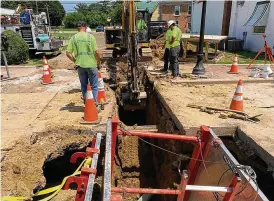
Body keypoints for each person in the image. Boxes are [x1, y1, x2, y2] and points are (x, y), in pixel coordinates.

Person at [66, 21, 101, 108]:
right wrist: (98, 62)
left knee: (84, 85)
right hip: (92, 65)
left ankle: (87, 103)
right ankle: (94, 104)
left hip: (80, 66)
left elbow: (67, 53)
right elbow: (97, 53)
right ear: (85, 27)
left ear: (77, 28)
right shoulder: (90, 37)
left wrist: (75, 61)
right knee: (94, 86)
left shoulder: (73, 38)